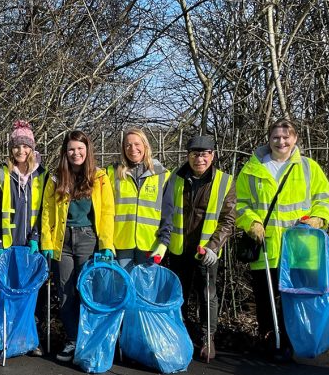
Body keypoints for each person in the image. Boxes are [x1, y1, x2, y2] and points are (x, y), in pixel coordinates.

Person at [235, 118, 329, 362]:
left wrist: (318, 219)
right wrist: (251, 223)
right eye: (276, 137)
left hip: (300, 247)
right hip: (266, 244)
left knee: (297, 297)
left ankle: (296, 341)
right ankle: (271, 341)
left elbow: (326, 199)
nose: (281, 141)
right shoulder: (252, 169)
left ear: (295, 139)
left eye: (286, 136)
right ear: (268, 139)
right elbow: (239, 204)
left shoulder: (308, 167)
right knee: (266, 298)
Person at [40, 131, 115, 363]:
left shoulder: (100, 177)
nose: (76, 153)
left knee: (88, 291)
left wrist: (106, 244)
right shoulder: (55, 179)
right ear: (65, 152)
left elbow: (107, 213)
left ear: (87, 150)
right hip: (62, 241)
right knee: (65, 293)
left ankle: (88, 339)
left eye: (80, 149)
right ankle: (72, 339)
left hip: (88, 239)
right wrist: (46, 242)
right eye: (71, 149)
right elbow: (47, 213)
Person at [164, 135, 236, 362]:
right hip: (178, 249)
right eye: (195, 154)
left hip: (207, 251)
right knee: (178, 295)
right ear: (188, 156)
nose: (200, 159)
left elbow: (228, 219)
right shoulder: (175, 178)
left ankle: (208, 338)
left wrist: (214, 247)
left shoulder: (224, 181)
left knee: (207, 295)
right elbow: (165, 213)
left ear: (212, 156)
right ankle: (179, 334)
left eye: (205, 154)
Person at [0, 120, 48, 356]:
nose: (21, 151)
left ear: (32, 148)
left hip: (30, 245)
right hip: (8, 243)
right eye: (16, 147)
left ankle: (28, 339)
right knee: (8, 292)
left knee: (29, 293)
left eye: (25, 147)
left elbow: (44, 209)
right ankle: (5, 339)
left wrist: (37, 236)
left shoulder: (42, 175)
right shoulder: (2, 174)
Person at [107, 128, 174, 269]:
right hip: (121, 244)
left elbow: (167, 214)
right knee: (123, 288)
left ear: (145, 145)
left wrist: (163, 243)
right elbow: (105, 211)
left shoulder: (162, 174)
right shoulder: (112, 173)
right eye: (128, 145)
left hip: (150, 245)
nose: (133, 149)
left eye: (137, 144)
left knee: (145, 290)